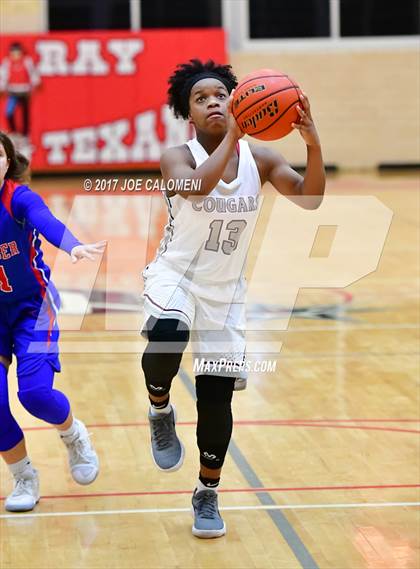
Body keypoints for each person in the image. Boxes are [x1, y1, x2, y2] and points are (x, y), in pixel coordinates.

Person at [141, 59, 325, 538]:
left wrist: (312, 142)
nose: (213, 102)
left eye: (221, 94)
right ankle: (159, 407)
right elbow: (199, 189)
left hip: (225, 290)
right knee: (166, 335)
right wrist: (234, 137)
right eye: (201, 99)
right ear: (189, 112)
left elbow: (310, 198)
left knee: (216, 396)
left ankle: (207, 491)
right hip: (175, 276)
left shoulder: (261, 160)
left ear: (236, 99)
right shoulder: (174, 157)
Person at [0, 131, 106, 512]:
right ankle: (23, 476)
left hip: (32, 308)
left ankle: (73, 433)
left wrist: (73, 244)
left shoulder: (18, 199)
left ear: (7, 163)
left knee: (35, 395)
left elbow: (46, 220)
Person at [0, 42, 40, 141]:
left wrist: (36, 83)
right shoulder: (7, 62)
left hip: (24, 91)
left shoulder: (27, 61)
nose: (16, 55)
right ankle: (13, 132)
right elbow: (3, 76)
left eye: (18, 53)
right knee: (9, 112)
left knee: (25, 113)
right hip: (13, 91)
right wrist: (2, 88)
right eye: (13, 53)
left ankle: (25, 134)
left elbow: (33, 74)